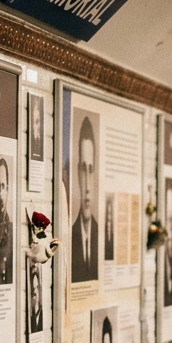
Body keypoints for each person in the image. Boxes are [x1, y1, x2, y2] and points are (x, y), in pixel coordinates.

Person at [70, 117, 99, 283]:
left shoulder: (102, 239)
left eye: (91, 170)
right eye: (83, 170)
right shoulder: (70, 237)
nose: (87, 185)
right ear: (77, 173)